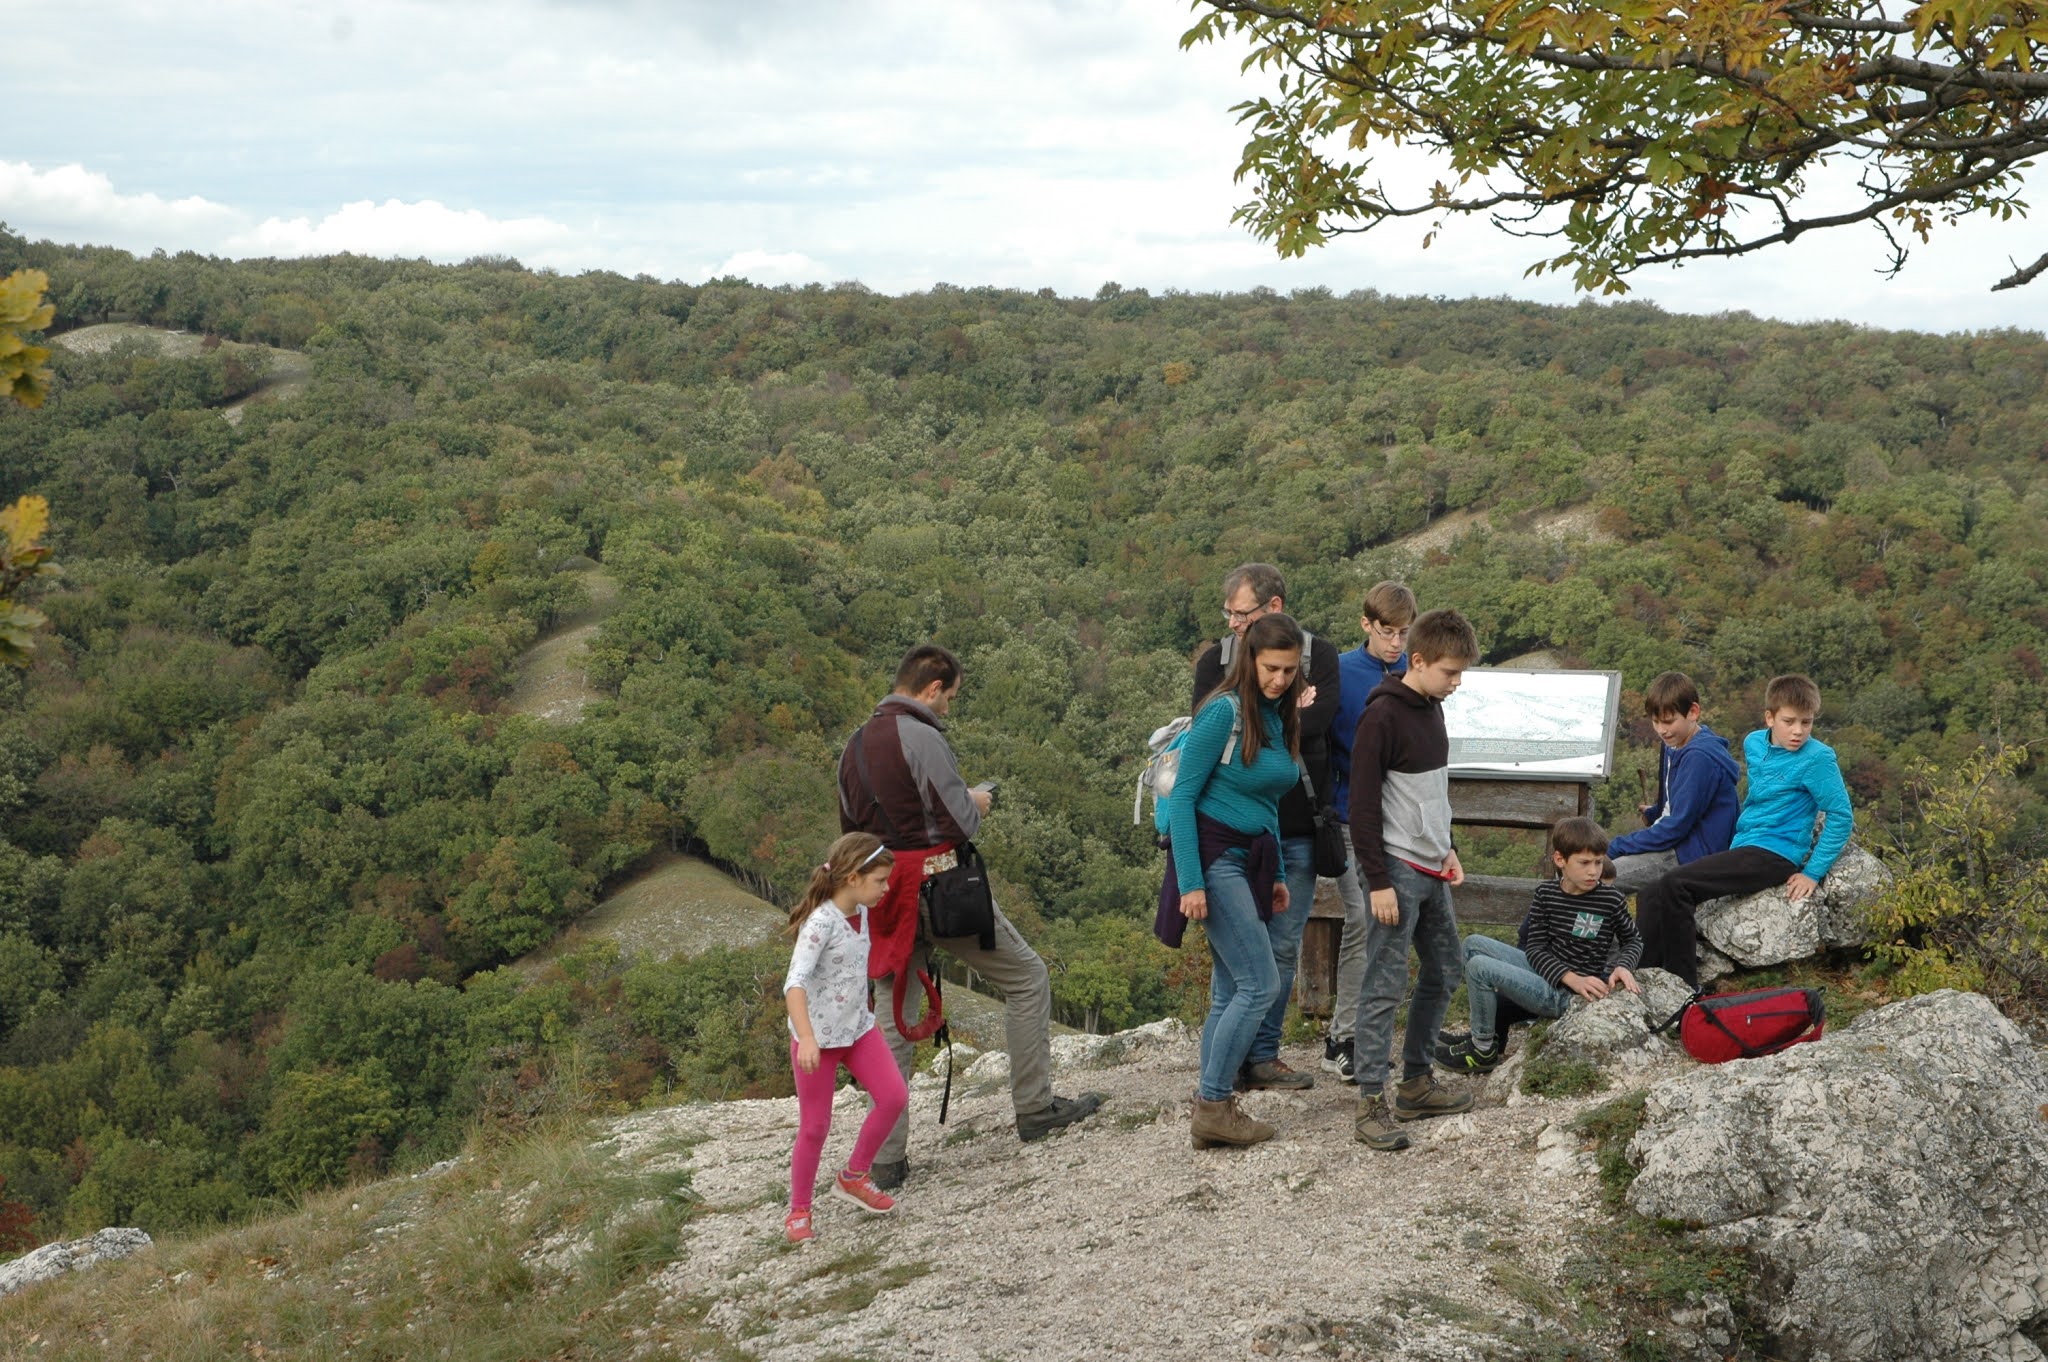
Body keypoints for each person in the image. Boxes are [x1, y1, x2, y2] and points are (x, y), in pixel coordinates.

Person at [837, 644, 1102, 1191]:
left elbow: (851, 833)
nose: (948, 708)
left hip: (882, 896)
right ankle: (1035, 1108)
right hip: (940, 890)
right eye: (950, 698)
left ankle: (886, 1159)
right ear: (932, 688)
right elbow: (960, 820)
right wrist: (977, 800)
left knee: (892, 1018)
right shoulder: (922, 737)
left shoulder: (853, 746)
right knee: (1027, 979)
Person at [1190, 563, 1340, 1092]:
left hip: (1286, 834)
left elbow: (1319, 724)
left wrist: (1282, 714)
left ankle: (1256, 1060)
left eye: (1242, 613)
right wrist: (1190, 881)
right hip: (1225, 845)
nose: (1233, 623)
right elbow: (1200, 762)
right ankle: (1219, 1084)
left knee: (1277, 951)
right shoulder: (1218, 674)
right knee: (1243, 970)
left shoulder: (1316, 659)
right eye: (1228, 614)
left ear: (1273, 608)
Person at [1168, 612, 1310, 1148]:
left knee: (1231, 988)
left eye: (1289, 670)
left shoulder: (1277, 716)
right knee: (1260, 984)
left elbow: (1268, 799)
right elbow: (1183, 797)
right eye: (1271, 668)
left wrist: (1276, 874)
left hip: (1253, 860)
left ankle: (1211, 1102)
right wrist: (1190, 883)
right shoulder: (1222, 713)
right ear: (1249, 661)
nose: (1279, 679)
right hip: (1215, 858)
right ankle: (1213, 1105)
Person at [1346, 607, 1482, 1152]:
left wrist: (1448, 848)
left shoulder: (1432, 708)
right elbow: (1361, 805)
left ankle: (1416, 1083)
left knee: (1446, 967)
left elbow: (1432, 791)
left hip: (1431, 865)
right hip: (1396, 870)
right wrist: (1377, 880)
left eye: (1460, 673)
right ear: (1418, 660)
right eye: (1450, 672)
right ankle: (1369, 1103)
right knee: (1384, 982)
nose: (1456, 682)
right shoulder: (1381, 716)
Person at [1635, 674, 1855, 986]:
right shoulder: (1754, 743)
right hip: (1743, 846)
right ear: (1770, 718)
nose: (1798, 731)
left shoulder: (1818, 758)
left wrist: (1812, 872)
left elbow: (1841, 816)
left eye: (1806, 722)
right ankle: (1644, 979)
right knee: (1650, 892)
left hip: (1775, 853)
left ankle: (1682, 988)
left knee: (1676, 886)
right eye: (1789, 721)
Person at [1436, 817, 1642, 1073]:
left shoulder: (1610, 899)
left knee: (1479, 966)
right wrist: (1569, 976)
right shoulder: (1547, 893)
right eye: (1584, 862)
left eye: (1598, 862)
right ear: (1560, 860)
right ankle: (1485, 1033)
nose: (1594, 871)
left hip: (1566, 995)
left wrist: (1624, 966)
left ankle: (1482, 1050)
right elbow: (1534, 948)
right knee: (1472, 944)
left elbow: (1633, 939)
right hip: (1551, 975)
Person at [782, 832, 909, 1244]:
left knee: (893, 1097)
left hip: (858, 1030)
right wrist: (806, 1038)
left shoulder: (863, 911)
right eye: (880, 881)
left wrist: (865, 1013)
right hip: (818, 1040)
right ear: (853, 878)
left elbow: (852, 970)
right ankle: (799, 1210)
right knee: (815, 1127)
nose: (886, 889)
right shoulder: (820, 924)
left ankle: (854, 1176)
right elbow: (794, 984)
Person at [1322, 580, 1416, 1083]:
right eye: (1387, 632)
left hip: (1399, 821)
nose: (1396, 643)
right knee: (1361, 917)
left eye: (1403, 633)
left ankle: (1368, 1035)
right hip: (1346, 815)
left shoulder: (1414, 672)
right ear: (1366, 625)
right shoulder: (1339, 672)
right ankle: (1344, 1038)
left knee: (1391, 924)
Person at [1604, 672, 1740, 896]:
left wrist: (1615, 846)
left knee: (1596, 878)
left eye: (1668, 721)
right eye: (1656, 721)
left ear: (1693, 712)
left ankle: (1586, 922)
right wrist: (1655, 812)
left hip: (1692, 851)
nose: (1661, 730)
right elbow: (1676, 800)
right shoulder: (1674, 744)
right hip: (1678, 840)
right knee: (1589, 871)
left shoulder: (1699, 757)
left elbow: (1677, 826)